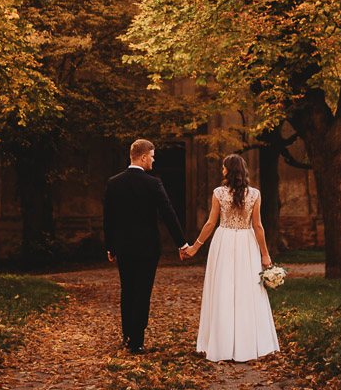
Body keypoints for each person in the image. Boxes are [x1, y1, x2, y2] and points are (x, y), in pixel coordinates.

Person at [181, 153, 280, 362]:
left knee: (222, 290)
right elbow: (258, 226)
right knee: (248, 292)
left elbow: (210, 223)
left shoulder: (218, 193)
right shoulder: (254, 194)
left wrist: (195, 248)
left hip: (224, 241)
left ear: (228, 170)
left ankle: (222, 345)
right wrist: (265, 254)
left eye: (223, 167)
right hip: (246, 242)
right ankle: (248, 344)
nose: (221, 170)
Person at [103, 138, 190, 354]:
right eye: (151, 156)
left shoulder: (114, 182)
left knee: (127, 290)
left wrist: (110, 246)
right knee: (142, 292)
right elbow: (169, 214)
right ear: (142, 157)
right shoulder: (153, 183)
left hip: (123, 247)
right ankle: (136, 342)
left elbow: (109, 218)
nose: (153, 160)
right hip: (147, 249)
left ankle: (127, 335)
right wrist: (182, 243)